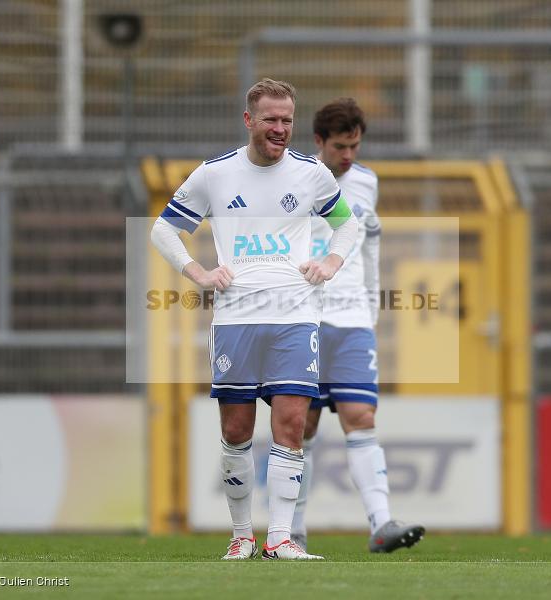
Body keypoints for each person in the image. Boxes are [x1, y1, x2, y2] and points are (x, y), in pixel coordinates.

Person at [150, 79, 359, 561]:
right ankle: (242, 535)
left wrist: (329, 263)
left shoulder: (312, 174)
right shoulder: (214, 174)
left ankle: (281, 538)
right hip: (237, 318)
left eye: (287, 120)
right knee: (237, 430)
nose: (281, 128)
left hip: (295, 315)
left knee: (290, 423)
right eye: (271, 119)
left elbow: (347, 224)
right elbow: (164, 228)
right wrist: (197, 272)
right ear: (249, 121)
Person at [292, 98, 425, 553]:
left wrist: (370, 310)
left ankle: (381, 524)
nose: (348, 155)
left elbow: (369, 247)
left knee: (361, 417)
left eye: (354, 146)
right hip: (302, 318)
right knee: (300, 426)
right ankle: (291, 529)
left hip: (351, 321)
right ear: (318, 143)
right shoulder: (293, 179)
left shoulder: (368, 182)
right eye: (340, 146)